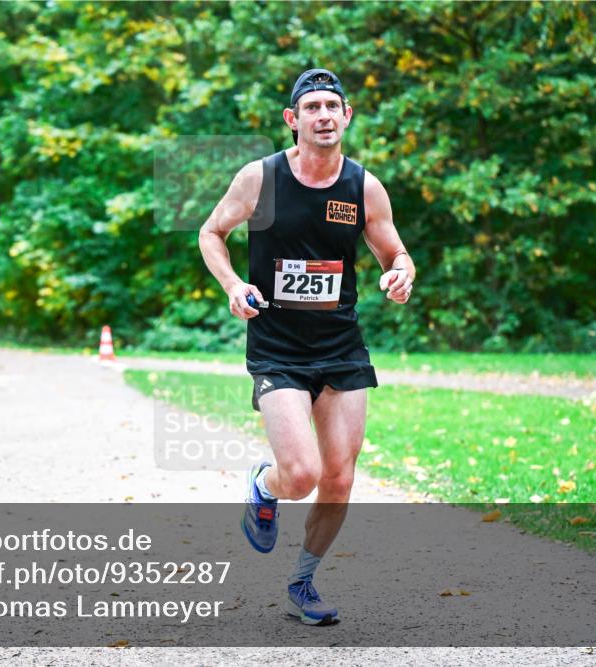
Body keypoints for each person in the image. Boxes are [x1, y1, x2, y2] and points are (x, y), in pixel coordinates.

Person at [198, 68, 415, 626]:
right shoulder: (261, 178)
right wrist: (233, 286)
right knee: (301, 475)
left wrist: (401, 274)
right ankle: (263, 486)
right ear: (293, 120)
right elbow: (211, 232)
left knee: (339, 476)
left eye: (332, 106)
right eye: (311, 107)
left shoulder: (362, 186)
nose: (323, 115)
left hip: (341, 345)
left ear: (347, 117)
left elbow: (396, 253)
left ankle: (302, 583)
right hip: (277, 345)